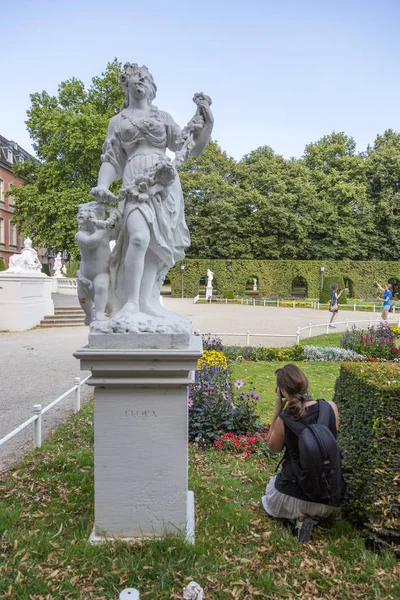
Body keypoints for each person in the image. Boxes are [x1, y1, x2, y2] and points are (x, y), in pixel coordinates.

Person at [90, 63, 213, 320]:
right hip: (135, 182)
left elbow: (190, 148)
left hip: (165, 184)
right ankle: (131, 303)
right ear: (127, 86)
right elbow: (112, 159)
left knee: (157, 247)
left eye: (144, 78)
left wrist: (207, 124)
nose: (140, 81)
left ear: (152, 87)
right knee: (138, 237)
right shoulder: (118, 121)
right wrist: (103, 185)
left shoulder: (163, 118)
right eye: (135, 78)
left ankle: (148, 302)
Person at [262, 364, 340, 542]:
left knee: (271, 487)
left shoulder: (285, 419)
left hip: (289, 497)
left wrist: (277, 410)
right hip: (328, 500)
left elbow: (272, 447)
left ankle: (298, 517)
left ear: (282, 391)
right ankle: (310, 518)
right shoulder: (331, 408)